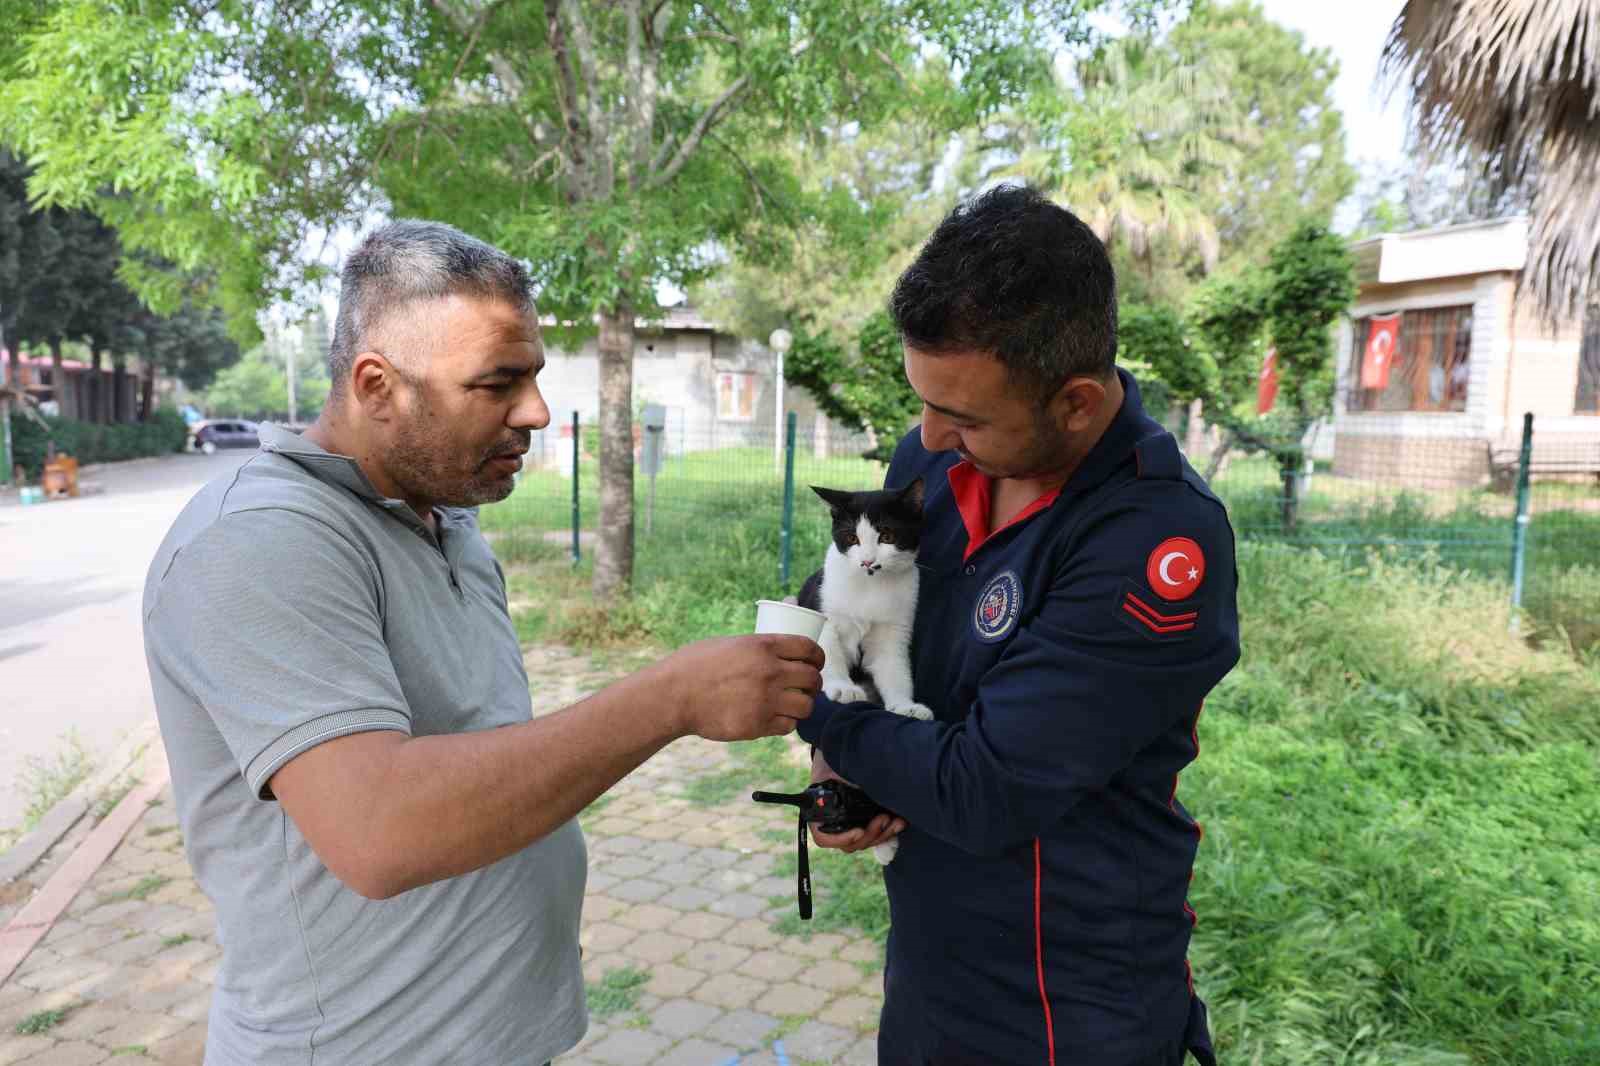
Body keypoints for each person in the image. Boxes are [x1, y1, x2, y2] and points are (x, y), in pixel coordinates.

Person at [141, 220, 823, 1065]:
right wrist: (669, 698)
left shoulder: (443, 514)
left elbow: (477, 751)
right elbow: (380, 829)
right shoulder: (259, 542)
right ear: (377, 385)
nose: (535, 411)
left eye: (532, 375)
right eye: (498, 383)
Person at [798, 185, 1241, 1066]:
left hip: (1067, 1004)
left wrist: (814, 709)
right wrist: (843, 762)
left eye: (961, 417)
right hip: (928, 968)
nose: (926, 434)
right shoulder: (935, 456)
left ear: (1076, 403)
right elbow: (850, 595)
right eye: (924, 402)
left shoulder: (1157, 541)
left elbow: (983, 789)